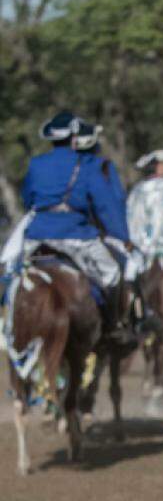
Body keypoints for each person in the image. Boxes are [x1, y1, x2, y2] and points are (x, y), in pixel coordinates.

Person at [17, 112, 137, 346]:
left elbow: (27, 198)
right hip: (75, 236)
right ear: (74, 138)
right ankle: (112, 327)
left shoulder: (36, 164)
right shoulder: (87, 166)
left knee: (9, 272)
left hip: (37, 235)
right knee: (112, 274)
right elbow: (105, 207)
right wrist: (122, 236)